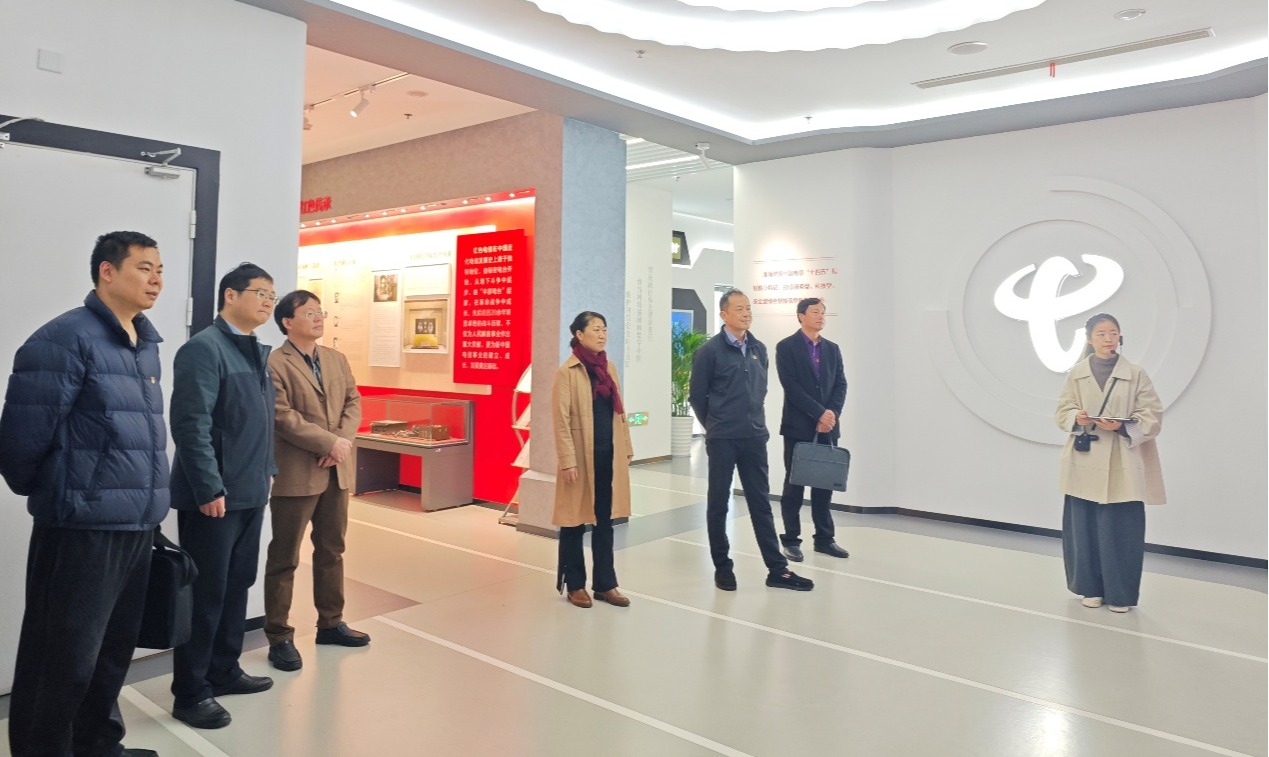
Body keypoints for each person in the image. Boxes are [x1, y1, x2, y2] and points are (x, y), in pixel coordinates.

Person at [0, 231, 168, 757]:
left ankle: (98, 746)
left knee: (111, 654)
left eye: (160, 269)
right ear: (107, 272)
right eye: (144, 268)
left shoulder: (146, 344)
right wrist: (66, 494)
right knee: (61, 659)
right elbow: (21, 442)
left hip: (136, 524)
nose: (156, 279)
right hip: (81, 527)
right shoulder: (63, 339)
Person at [169, 263, 278, 729]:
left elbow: (259, 424)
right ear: (230, 296)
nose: (268, 302)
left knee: (237, 585)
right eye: (260, 292)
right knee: (206, 593)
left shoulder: (255, 351)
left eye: (272, 295)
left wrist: (267, 471)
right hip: (214, 496)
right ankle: (191, 692)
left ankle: (224, 669)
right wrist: (208, 485)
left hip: (250, 490)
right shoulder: (204, 348)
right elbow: (190, 424)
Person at [264, 290, 369, 672]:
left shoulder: (335, 358)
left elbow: (353, 401)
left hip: (335, 471)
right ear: (287, 322)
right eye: (308, 313)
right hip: (296, 473)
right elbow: (282, 416)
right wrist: (329, 443)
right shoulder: (274, 363)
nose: (318, 317)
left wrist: (340, 442)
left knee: (332, 550)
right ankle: (279, 635)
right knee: (284, 557)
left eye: (319, 311)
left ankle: (331, 623)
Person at [689, 289, 814, 592]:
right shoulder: (709, 351)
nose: (746, 313)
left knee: (761, 504)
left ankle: (777, 570)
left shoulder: (758, 347)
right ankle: (722, 567)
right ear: (724, 314)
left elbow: (760, 390)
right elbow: (697, 397)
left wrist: (754, 422)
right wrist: (715, 426)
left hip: (754, 437)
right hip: (723, 439)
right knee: (718, 504)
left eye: (748, 308)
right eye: (739, 309)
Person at [1055, 313, 1165, 614]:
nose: (1108, 338)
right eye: (1101, 334)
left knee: (1122, 529)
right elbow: (1062, 410)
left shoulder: (1136, 374)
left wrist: (1120, 426)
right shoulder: (1076, 374)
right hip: (1084, 459)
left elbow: (1152, 415)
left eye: (1113, 333)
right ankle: (1089, 588)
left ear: (1120, 336)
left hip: (1123, 459)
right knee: (1084, 528)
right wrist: (1076, 418)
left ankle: (1120, 594)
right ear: (1089, 339)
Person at [552, 311, 634, 608]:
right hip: (580, 458)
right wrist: (567, 460)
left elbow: (619, 411)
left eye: (605, 329)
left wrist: (626, 446)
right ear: (579, 334)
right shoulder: (568, 371)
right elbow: (560, 420)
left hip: (607, 456)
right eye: (596, 329)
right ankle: (575, 584)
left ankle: (605, 584)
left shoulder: (609, 367)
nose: (602, 335)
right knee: (573, 520)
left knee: (605, 520)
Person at [775, 298, 850, 561]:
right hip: (798, 427)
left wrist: (831, 414)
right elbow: (791, 387)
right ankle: (791, 540)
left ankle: (825, 539)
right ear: (801, 316)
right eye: (815, 312)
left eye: (823, 313)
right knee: (794, 485)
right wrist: (819, 412)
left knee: (824, 485)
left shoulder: (832, 349)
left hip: (828, 426)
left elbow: (841, 384)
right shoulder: (786, 347)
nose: (820, 317)